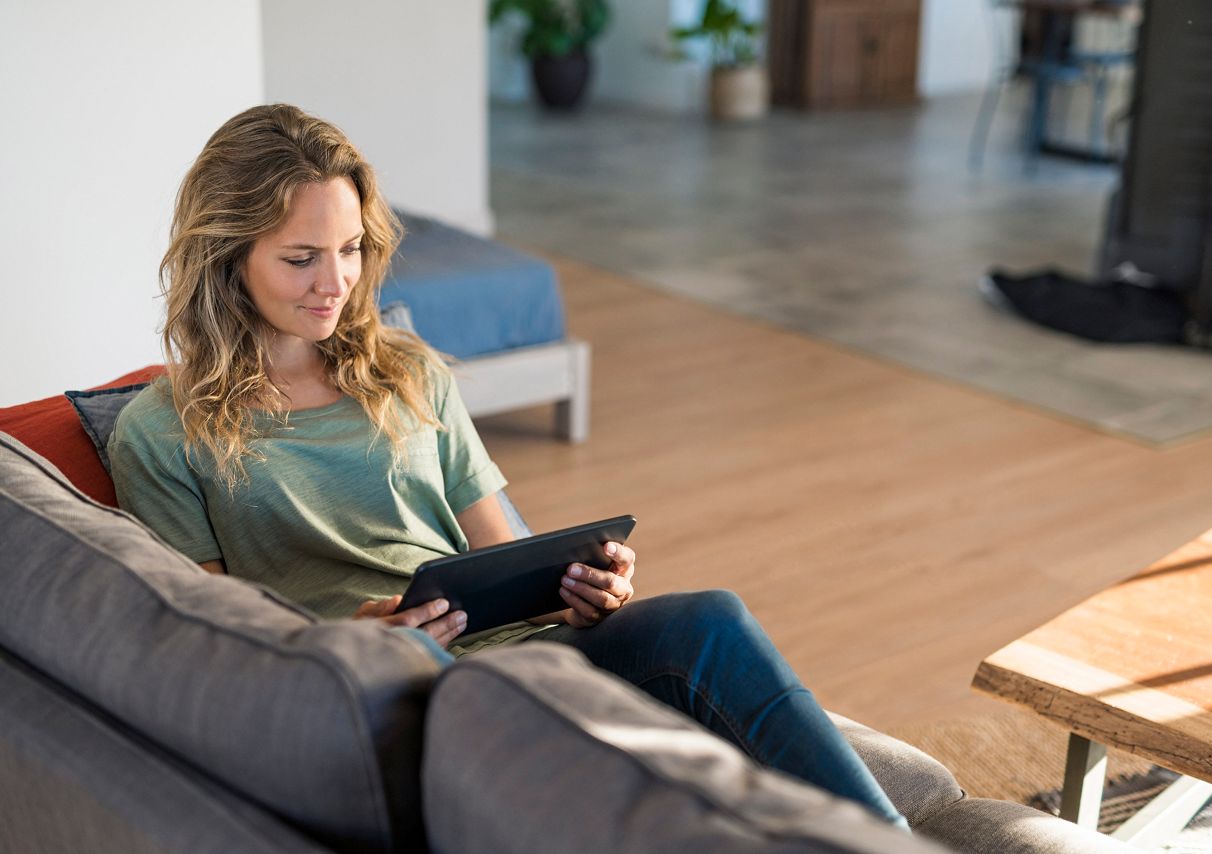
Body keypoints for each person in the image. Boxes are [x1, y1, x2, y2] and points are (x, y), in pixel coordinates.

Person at [107, 103, 907, 828]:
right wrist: (342, 640)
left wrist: (578, 591)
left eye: (350, 249)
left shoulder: (408, 373)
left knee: (708, 619)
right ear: (228, 257)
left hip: (522, 654)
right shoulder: (166, 433)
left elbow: (502, 548)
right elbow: (209, 644)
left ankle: (891, 842)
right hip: (394, 690)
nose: (337, 284)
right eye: (302, 258)